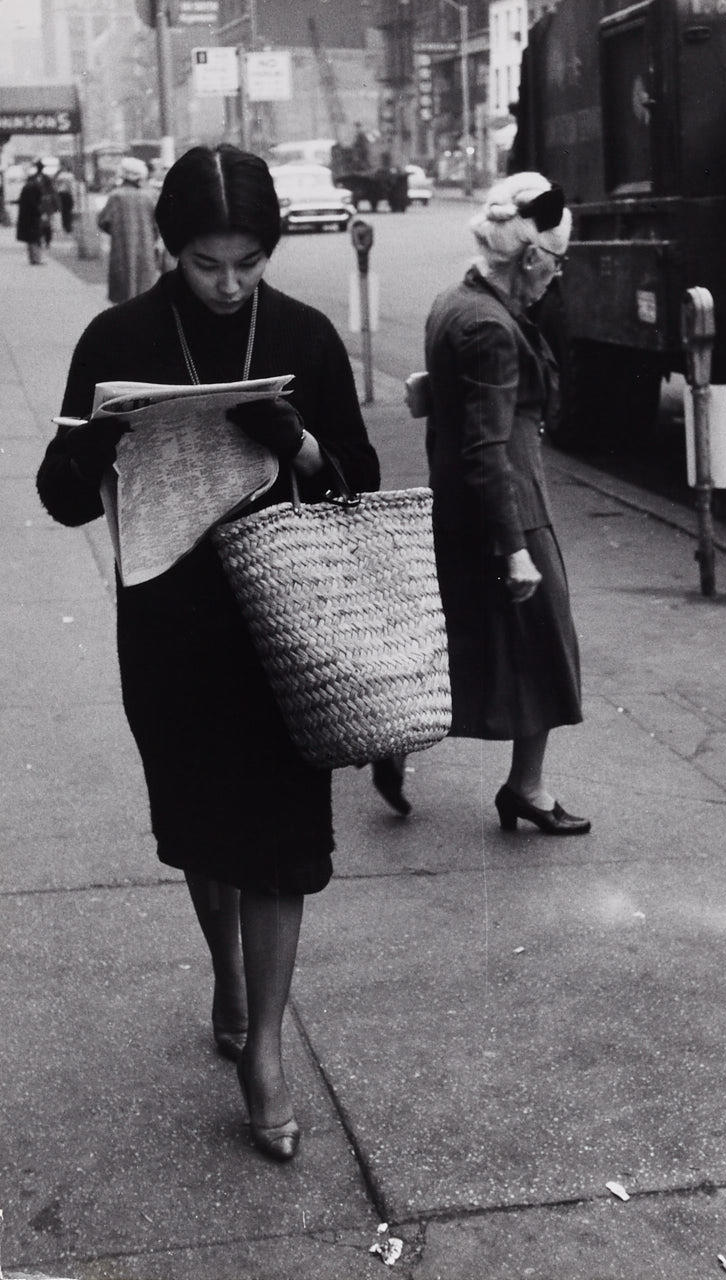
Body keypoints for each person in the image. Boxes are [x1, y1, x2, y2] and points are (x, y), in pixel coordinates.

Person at [36, 144, 381, 1162]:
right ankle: (226, 969)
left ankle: (264, 1046)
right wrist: (90, 444)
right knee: (200, 823)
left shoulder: (305, 337)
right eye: (205, 264)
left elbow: (356, 478)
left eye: (246, 263)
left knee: (278, 834)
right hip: (172, 626)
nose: (229, 285)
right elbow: (60, 497)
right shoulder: (118, 335)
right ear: (170, 251)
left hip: (284, 624)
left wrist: (304, 446)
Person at [423, 171, 590, 836]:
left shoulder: (456, 301)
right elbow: (490, 446)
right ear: (530, 258)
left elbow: (460, 404)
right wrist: (517, 550)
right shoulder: (493, 327)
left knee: (456, 641)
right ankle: (528, 788)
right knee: (546, 647)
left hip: (465, 503)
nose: (558, 274)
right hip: (511, 506)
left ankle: (392, 744)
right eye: (557, 261)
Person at [97, 156, 159, 304]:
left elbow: (103, 221)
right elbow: (158, 224)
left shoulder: (115, 196)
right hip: (146, 251)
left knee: (123, 291)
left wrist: (118, 231)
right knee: (144, 289)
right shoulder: (150, 196)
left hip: (121, 249)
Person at [16, 160, 57, 264]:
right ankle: (36, 257)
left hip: (39, 210)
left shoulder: (39, 180)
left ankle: (41, 249)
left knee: (40, 231)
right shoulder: (39, 180)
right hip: (38, 210)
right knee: (37, 233)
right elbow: (51, 193)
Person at [54, 166, 75, 234]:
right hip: (68, 194)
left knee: (63, 211)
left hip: (61, 194)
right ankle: (68, 226)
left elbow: (56, 186)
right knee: (68, 210)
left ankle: (64, 225)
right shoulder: (70, 176)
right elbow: (72, 187)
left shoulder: (60, 176)